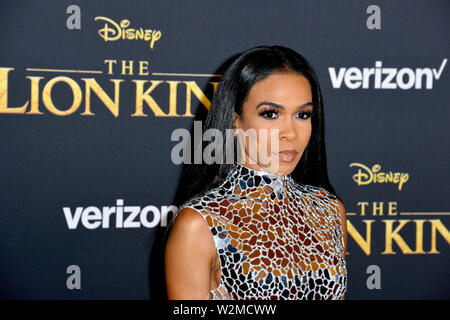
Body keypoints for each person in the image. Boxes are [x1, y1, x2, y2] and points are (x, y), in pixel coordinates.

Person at [165, 45, 347, 300]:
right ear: (235, 120)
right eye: (271, 114)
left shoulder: (328, 211)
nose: (290, 133)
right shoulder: (200, 225)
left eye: (303, 114)